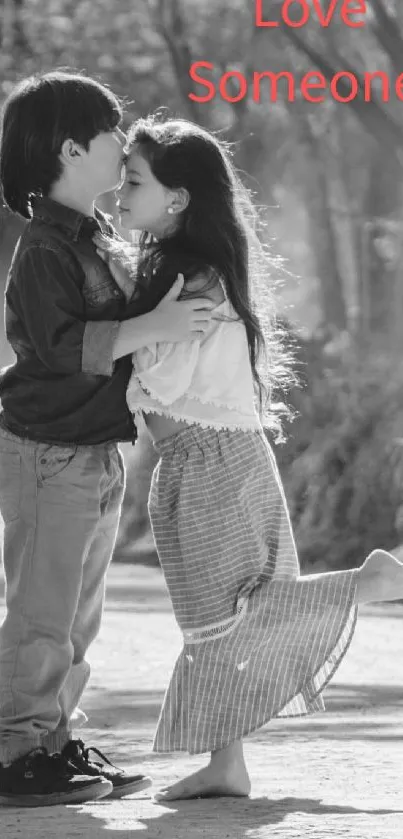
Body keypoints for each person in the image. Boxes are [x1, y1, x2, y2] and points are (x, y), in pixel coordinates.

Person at [95, 113, 403, 802]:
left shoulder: (190, 284)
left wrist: (122, 336)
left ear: (176, 198)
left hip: (210, 467)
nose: (119, 196)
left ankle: (365, 582)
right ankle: (226, 762)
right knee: (217, 620)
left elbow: (162, 384)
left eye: (133, 183)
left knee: (230, 616)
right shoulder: (187, 271)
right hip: (213, 465)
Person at [0, 74, 215, 807]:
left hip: (93, 448)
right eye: (110, 133)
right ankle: (15, 748)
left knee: (78, 613)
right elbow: (65, 347)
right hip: (46, 449)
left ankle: (55, 737)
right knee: (41, 610)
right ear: (70, 148)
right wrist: (153, 327)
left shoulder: (97, 236)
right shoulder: (42, 250)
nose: (123, 146)